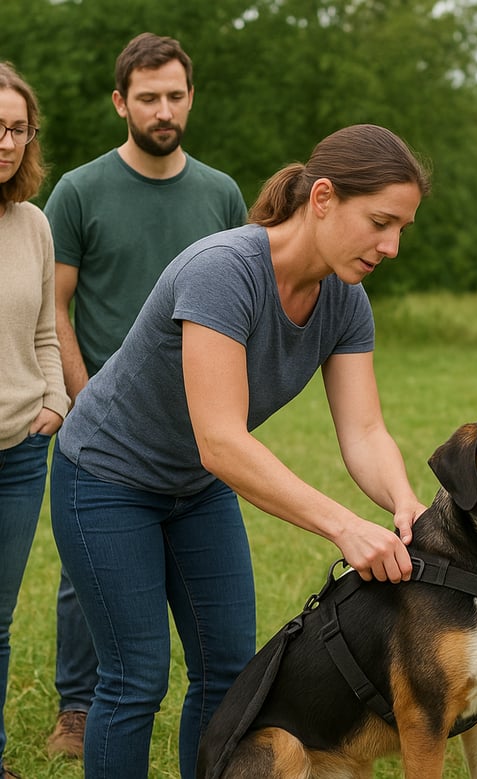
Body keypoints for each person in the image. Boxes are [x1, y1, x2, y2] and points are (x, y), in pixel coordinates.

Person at [49, 122, 429, 779]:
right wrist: (343, 525)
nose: (391, 246)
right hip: (105, 478)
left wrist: (403, 501)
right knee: (136, 675)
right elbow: (221, 439)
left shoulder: (345, 301)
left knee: (228, 673)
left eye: (402, 228)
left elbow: (364, 431)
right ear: (324, 199)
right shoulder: (222, 271)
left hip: (193, 489)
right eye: (380, 222)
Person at [44, 32, 247, 758]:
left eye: (175, 96)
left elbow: (240, 306)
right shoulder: (79, 189)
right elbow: (58, 304)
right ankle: (75, 701)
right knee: (104, 613)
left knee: (224, 664)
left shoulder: (221, 192)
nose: (164, 110)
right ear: (119, 101)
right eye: (148, 97)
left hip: (197, 444)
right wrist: (83, 393)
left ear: (190, 98)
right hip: (105, 434)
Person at [0, 62, 69, 779]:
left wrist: (54, 402)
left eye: (17, 128)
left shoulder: (34, 224)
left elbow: (47, 330)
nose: (7, 141)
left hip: (20, 449)